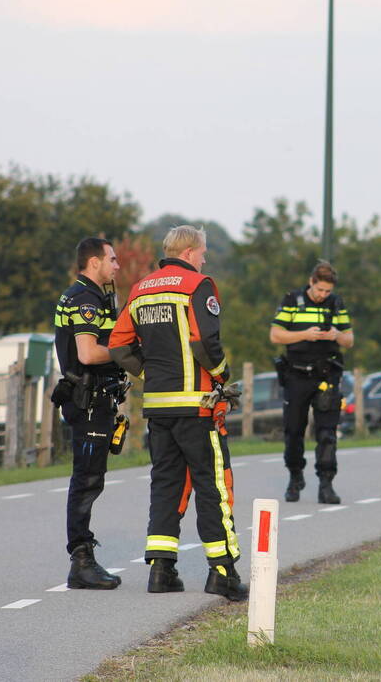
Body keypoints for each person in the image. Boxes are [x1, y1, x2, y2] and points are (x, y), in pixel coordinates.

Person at [108, 225, 246, 601]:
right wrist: (222, 375)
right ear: (188, 252)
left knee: (166, 485)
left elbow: (118, 346)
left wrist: (149, 371)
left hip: (158, 407)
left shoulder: (139, 289)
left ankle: (161, 570)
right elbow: (205, 341)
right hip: (197, 405)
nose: (204, 259)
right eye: (202, 252)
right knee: (212, 486)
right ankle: (223, 573)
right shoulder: (197, 285)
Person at [52, 237, 127, 590]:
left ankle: (82, 558)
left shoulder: (89, 295)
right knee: (86, 481)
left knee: (89, 479)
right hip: (89, 401)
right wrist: (127, 351)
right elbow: (87, 354)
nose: (117, 266)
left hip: (94, 400)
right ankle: (81, 562)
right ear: (94, 262)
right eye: (112, 259)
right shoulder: (85, 299)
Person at [270, 261, 354, 504]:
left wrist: (336, 335)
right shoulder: (292, 300)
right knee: (294, 430)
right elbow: (275, 334)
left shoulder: (336, 303)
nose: (322, 295)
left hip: (326, 376)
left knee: (327, 431)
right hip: (296, 375)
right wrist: (305, 335)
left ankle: (326, 484)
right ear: (311, 282)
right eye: (319, 290)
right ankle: (295, 477)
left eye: (327, 291)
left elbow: (349, 339)